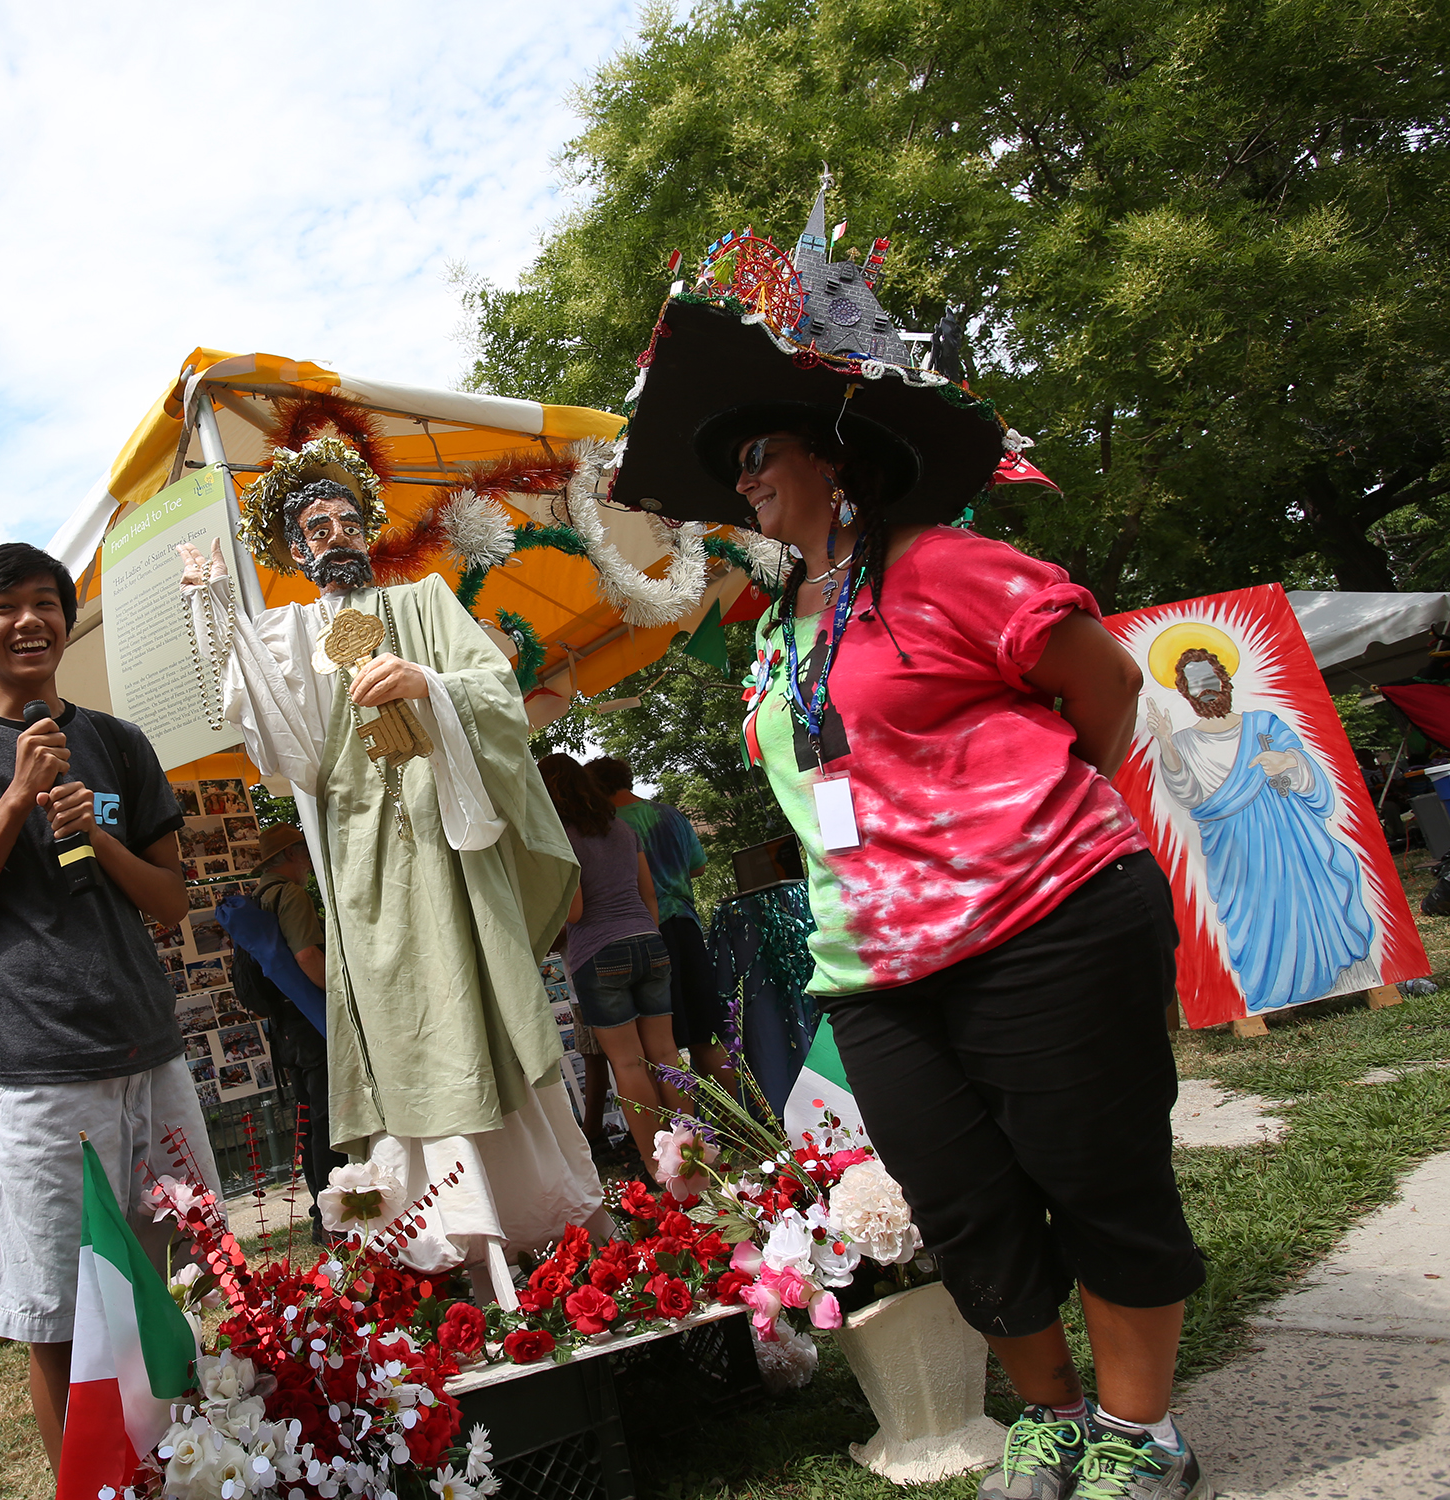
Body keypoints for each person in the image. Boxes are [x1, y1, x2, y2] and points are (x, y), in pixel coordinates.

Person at [614, 224, 1210, 1499]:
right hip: (876, 974)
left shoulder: (941, 566)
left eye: (758, 454)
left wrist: (1033, 824)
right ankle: (1050, 1416)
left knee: (1095, 1174)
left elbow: (1102, 686)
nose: (743, 480)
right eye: (732, 469)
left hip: (1046, 922)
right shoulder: (776, 635)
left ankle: (1140, 1431)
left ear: (836, 462)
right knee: (966, 1207)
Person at [178, 433, 610, 1294]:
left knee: (481, 1011)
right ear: (295, 552)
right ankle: (438, 1239)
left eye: (343, 519)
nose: (331, 535)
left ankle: (532, 1214)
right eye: (312, 527)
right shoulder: (293, 631)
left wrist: (429, 686)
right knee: (405, 1028)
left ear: (364, 529)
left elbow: (496, 695)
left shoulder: (424, 601)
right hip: (363, 870)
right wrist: (216, 604)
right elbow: (272, 735)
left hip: (452, 852)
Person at [0, 541, 217, 1478]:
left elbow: (169, 901)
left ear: (67, 624)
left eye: (47, 603)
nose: (29, 621)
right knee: (59, 1318)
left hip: (150, 1058)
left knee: (161, 1285)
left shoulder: (120, 742)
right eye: (5, 608)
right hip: (34, 1076)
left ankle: (179, 1472)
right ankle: (96, 1488)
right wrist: (18, 799)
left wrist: (96, 835)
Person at [1146, 632, 1377, 1011]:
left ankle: (1344, 977)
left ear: (1224, 680)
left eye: (1209, 679)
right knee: (1258, 918)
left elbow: (1311, 776)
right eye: (1194, 683)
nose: (1205, 689)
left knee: (1312, 898)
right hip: (1236, 847)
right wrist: (1166, 742)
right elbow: (1187, 796)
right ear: (1185, 691)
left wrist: (1287, 762)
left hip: (1292, 836)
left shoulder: (1263, 723)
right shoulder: (1185, 741)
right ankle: (1275, 992)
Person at [538, 754, 684, 1172]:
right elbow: (649, 894)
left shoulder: (560, 838)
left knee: (627, 1063)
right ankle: (693, 1157)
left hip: (599, 954)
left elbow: (576, 912)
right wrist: (644, 934)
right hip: (648, 940)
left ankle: (660, 1169)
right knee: (667, 1054)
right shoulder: (621, 828)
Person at [586, 755, 732, 1087]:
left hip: (647, 931)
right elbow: (698, 866)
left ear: (595, 788)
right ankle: (739, 1128)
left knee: (661, 1047)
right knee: (707, 1035)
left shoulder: (610, 826)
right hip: (688, 926)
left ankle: (682, 1135)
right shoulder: (672, 814)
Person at [236, 821, 344, 1240]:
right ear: (293, 856)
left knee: (309, 1123)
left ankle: (323, 1213)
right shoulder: (291, 895)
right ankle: (335, 1218)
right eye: (302, 848)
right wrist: (338, 993)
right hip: (309, 1019)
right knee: (328, 1120)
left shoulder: (258, 898)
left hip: (283, 1029)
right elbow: (306, 957)